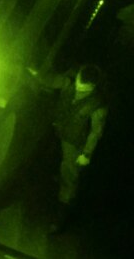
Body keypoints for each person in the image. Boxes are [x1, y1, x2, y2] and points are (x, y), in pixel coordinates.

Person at [28, 63, 109, 234]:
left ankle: (60, 216)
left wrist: (86, 154)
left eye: (84, 84)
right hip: (57, 129)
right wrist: (35, 72)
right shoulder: (69, 83)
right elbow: (51, 80)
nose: (79, 85)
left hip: (73, 142)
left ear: (93, 86)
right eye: (79, 80)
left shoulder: (97, 105)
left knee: (69, 178)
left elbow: (96, 132)